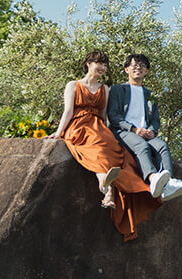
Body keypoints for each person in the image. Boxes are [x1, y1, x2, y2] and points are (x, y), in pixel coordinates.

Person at [47, 49, 161, 241]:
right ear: (88, 64)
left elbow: (103, 116)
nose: (102, 67)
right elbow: (67, 111)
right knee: (98, 149)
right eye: (99, 63)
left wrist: (107, 133)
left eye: (105, 65)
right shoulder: (73, 85)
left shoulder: (105, 89)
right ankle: (106, 189)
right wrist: (58, 134)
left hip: (97, 126)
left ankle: (108, 186)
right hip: (78, 125)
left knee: (114, 150)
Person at [107, 53, 182, 202]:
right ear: (127, 69)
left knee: (162, 146)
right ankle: (153, 179)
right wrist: (133, 129)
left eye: (142, 66)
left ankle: (169, 183)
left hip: (145, 133)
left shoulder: (150, 95)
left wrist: (152, 131)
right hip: (123, 132)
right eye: (134, 65)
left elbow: (155, 120)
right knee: (141, 146)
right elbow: (114, 115)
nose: (138, 68)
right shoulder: (117, 90)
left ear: (146, 71)